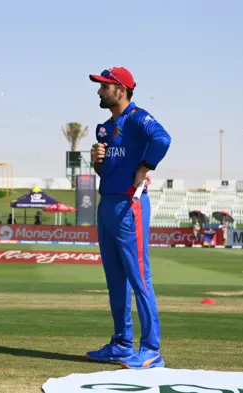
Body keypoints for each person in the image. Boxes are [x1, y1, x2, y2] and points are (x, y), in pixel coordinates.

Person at [86, 67, 172, 370]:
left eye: (104, 86)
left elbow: (163, 139)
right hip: (107, 203)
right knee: (115, 279)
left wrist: (146, 165)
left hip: (129, 206)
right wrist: (97, 162)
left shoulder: (138, 118)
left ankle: (151, 349)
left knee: (139, 278)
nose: (99, 91)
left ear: (121, 89)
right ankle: (122, 344)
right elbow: (106, 172)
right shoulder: (104, 128)